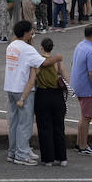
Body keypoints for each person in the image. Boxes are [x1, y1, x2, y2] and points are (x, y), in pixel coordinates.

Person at [4, 20, 50, 165]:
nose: (32, 33)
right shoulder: (28, 49)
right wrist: (57, 58)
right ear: (25, 33)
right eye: (31, 30)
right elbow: (43, 63)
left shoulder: (11, 46)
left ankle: (13, 152)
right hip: (23, 89)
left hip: (11, 87)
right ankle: (22, 154)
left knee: (14, 122)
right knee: (25, 123)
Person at [33, 37, 68, 166]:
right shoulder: (58, 63)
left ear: (41, 47)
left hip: (42, 95)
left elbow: (33, 78)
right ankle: (62, 157)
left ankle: (48, 158)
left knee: (44, 127)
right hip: (57, 96)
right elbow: (66, 81)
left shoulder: (38, 62)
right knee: (59, 126)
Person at [70, 24, 92, 156]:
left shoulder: (80, 46)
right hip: (88, 89)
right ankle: (83, 146)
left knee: (83, 117)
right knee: (86, 117)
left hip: (78, 86)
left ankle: (79, 143)